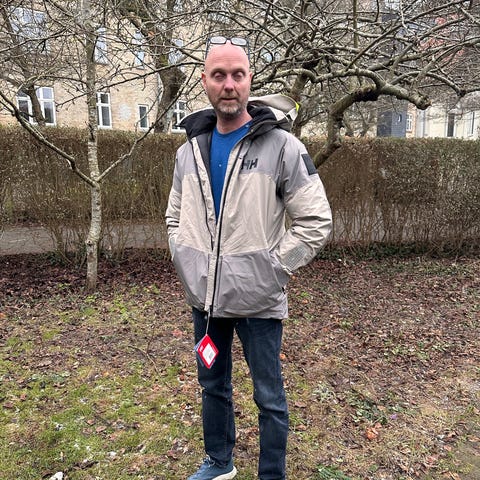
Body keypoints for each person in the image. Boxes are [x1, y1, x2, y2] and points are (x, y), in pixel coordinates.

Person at [165, 36, 332, 480]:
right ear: (205, 81)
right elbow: (173, 215)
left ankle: (271, 474)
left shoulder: (282, 147)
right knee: (212, 385)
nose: (229, 84)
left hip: (259, 301)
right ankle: (219, 462)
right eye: (219, 75)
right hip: (207, 300)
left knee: (269, 398)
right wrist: (184, 257)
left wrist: (273, 268)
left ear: (249, 80)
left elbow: (316, 220)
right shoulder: (188, 152)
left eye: (237, 74)